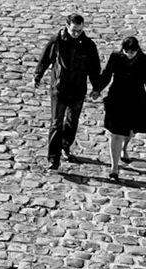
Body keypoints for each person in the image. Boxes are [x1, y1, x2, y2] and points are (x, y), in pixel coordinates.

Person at [34, 14, 102, 170]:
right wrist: (38, 76)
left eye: (79, 30)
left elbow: (94, 68)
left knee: (72, 122)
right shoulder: (57, 41)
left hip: (78, 89)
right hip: (59, 88)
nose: (77, 33)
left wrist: (96, 87)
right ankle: (53, 158)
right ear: (67, 26)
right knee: (56, 123)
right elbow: (45, 59)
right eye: (74, 30)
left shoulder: (88, 45)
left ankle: (65, 145)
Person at [95, 35, 146, 181]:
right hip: (117, 99)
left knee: (129, 131)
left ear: (137, 50)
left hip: (136, 100)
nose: (129, 55)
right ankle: (114, 168)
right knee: (116, 133)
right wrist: (97, 89)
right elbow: (107, 74)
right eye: (127, 52)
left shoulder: (145, 61)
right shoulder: (115, 57)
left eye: (132, 52)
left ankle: (124, 148)